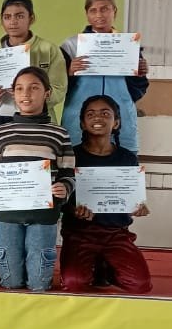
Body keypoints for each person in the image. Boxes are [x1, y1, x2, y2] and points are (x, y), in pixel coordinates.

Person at [0, 67, 75, 291]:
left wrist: (63, 188)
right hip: (7, 217)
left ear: (47, 93)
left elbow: (68, 173)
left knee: (39, 284)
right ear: (13, 93)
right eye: (19, 88)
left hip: (43, 216)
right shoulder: (0, 132)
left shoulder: (59, 133)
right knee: (11, 282)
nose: (26, 94)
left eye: (33, 88)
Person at [60, 95, 152, 293]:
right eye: (90, 114)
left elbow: (132, 195)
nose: (97, 118)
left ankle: (106, 268)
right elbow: (62, 197)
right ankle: (95, 267)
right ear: (82, 124)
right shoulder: (72, 156)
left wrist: (139, 206)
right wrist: (73, 210)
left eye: (105, 114)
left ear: (116, 122)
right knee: (74, 283)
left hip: (116, 233)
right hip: (80, 234)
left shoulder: (127, 158)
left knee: (140, 284)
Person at [61, 0, 149, 153]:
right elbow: (58, 87)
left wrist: (140, 74)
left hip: (120, 120)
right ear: (87, 14)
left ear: (114, 11)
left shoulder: (128, 45)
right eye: (93, 10)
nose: (99, 15)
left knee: (121, 164)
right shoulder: (71, 45)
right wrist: (69, 72)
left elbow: (140, 88)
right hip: (78, 120)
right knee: (76, 165)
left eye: (104, 9)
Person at [0, 0, 67, 127]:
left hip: (37, 119)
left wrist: (29, 94)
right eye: (7, 17)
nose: (13, 21)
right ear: (1, 20)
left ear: (31, 18)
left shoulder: (48, 49)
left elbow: (59, 89)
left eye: (19, 16)